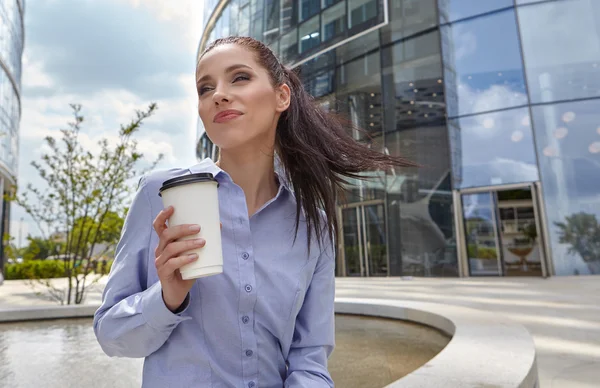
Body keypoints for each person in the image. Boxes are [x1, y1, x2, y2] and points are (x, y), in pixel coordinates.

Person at [93, 36, 416, 387]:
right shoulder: (160, 195)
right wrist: (167, 298)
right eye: (204, 88)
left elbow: (309, 357)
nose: (218, 95)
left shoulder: (313, 225)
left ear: (281, 96)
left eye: (239, 78)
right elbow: (111, 335)